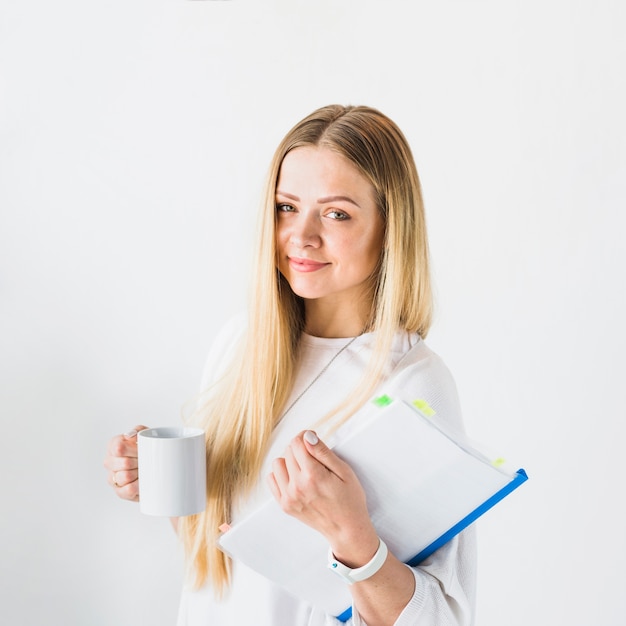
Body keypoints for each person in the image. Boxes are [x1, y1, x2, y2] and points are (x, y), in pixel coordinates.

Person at [104, 104, 477, 625]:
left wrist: (352, 536)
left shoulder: (414, 382)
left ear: (390, 227)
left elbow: (442, 619)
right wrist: (167, 483)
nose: (301, 236)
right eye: (286, 207)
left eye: (337, 213)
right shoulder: (240, 344)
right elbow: (219, 565)